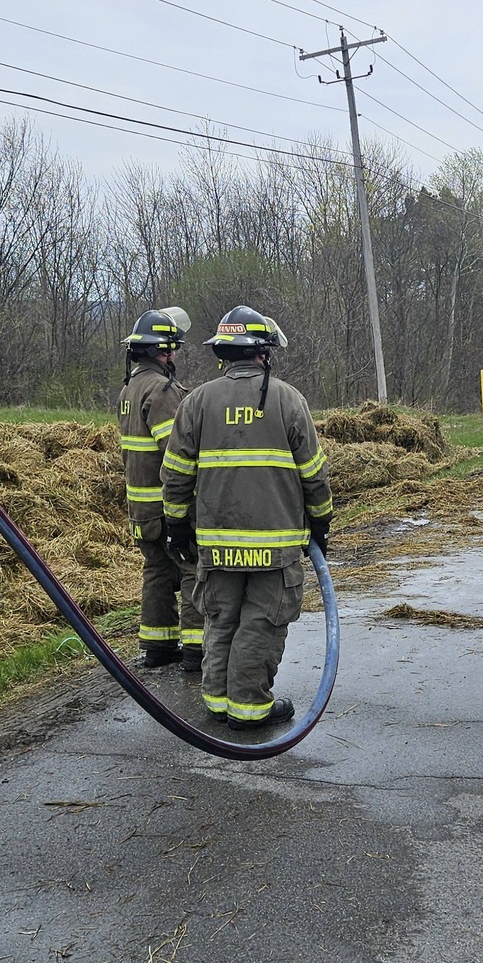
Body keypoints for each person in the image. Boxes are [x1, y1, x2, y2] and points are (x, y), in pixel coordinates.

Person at [161, 306, 332, 730]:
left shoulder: (196, 401)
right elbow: (314, 473)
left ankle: (218, 701)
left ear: (224, 353)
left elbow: (176, 475)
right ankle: (250, 707)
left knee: (222, 618)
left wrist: (178, 527)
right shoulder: (288, 399)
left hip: (217, 544)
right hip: (274, 547)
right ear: (264, 353)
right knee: (263, 620)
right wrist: (321, 523)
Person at [118, 307, 202, 671]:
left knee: (156, 571)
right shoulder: (162, 391)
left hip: (140, 506)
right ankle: (198, 650)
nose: (175, 357)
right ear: (163, 351)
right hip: (167, 504)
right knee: (191, 569)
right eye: (173, 350)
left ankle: (158, 646)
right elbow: (177, 453)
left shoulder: (130, 388)